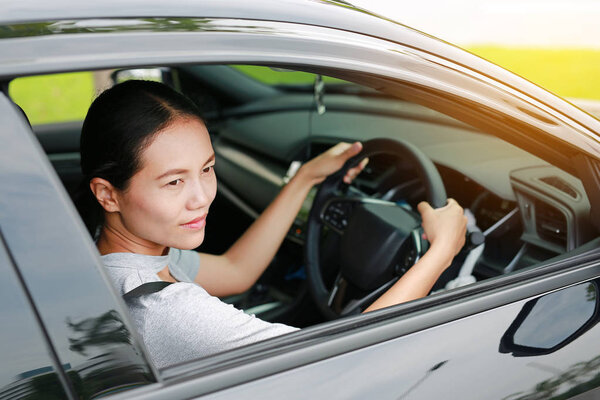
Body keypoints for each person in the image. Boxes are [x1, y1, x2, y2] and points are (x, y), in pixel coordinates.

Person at [77, 80, 466, 369]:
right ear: (108, 194)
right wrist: (441, 252)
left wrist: (305, 179)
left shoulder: (124, 256)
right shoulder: (165, 310)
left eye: (207, 169)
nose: (202, 196)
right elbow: (339, 363)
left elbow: (237, 271)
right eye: (174, 181)